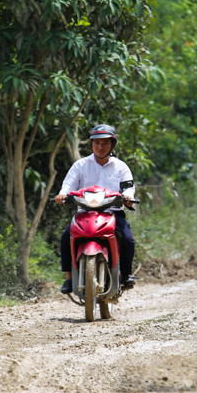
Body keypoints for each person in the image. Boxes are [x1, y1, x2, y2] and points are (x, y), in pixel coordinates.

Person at [54, 124, 136, 294]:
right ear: (91, 144)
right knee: (65, 237)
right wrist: (62, 195)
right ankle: (69, 278)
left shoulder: (121, 167)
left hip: (112, 213)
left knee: (127, 239)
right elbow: (68, 185)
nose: (100, 147)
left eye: (105, 143)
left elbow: (129, 188)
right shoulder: (80, 165)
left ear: (112, 144)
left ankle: (125, 275)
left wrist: (128, 197)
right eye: (96, 143)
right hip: (84, 213)